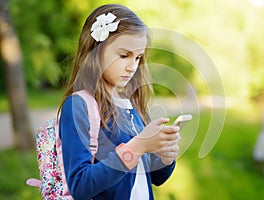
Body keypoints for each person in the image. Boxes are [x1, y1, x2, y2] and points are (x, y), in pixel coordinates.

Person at [58, 4, 181, 200]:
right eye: (124, 56)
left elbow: (155, 177)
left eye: (138, 57)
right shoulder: (78, 106)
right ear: (95, 51)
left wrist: (165, 158)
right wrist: (138, 146)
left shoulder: (132, 105)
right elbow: (80, 186)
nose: (132, 66)